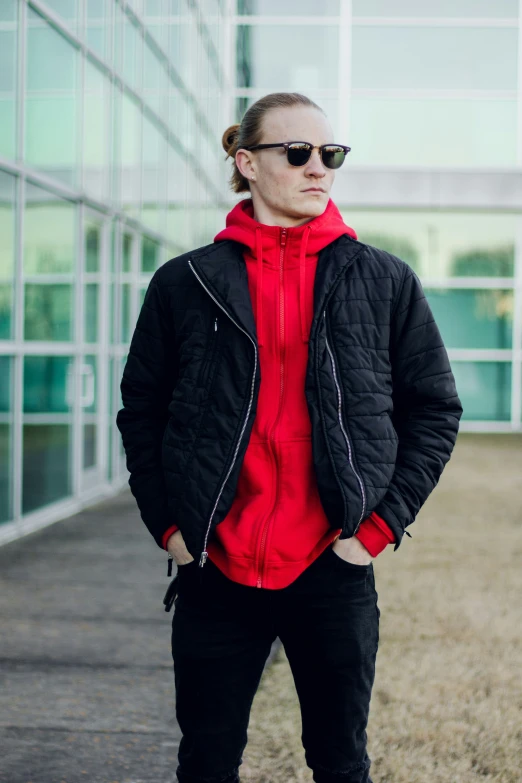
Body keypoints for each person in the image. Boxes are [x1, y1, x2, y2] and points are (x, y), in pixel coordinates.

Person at [116, 92, 463, 783]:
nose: (318, 168)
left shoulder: (384, 280)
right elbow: (141, 409)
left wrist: (374, 532)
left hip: (331, 569)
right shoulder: (186, 282)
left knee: (339, 761)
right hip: (217, 567)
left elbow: (434, 409)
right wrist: (171, 529)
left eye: (330, 155)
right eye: (297, 152)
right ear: (246, 162)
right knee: (206, 761)